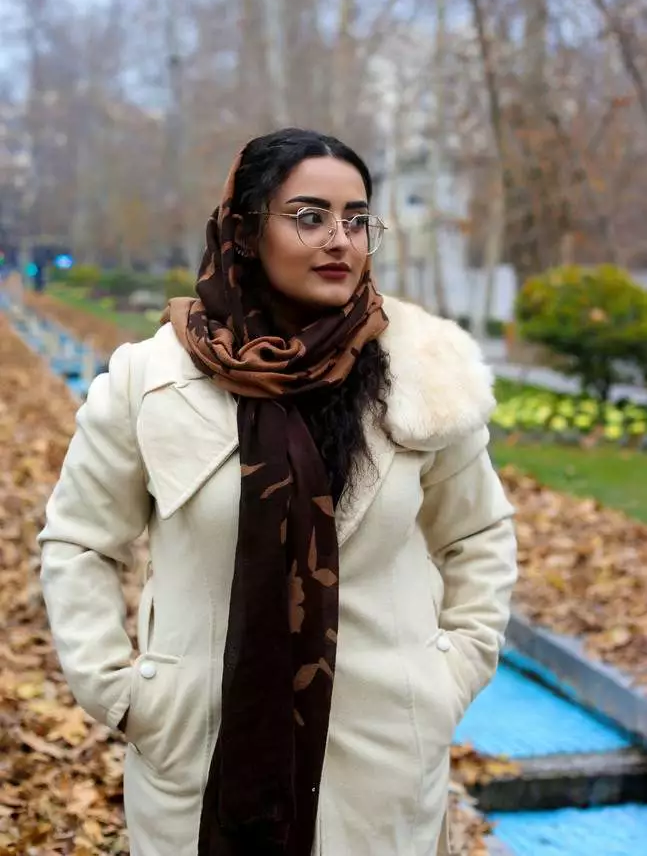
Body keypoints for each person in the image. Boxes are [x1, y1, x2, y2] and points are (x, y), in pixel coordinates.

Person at [38, 128, 517, 856]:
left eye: (357, 219)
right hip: (200, 751)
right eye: (309, 216)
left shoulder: (423, 372)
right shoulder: (151, 380)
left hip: (380, 759)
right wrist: (123, 694)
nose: (340, 240)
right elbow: (79, 542)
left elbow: (478, 537)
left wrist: (443, 679)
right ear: (246, 228)